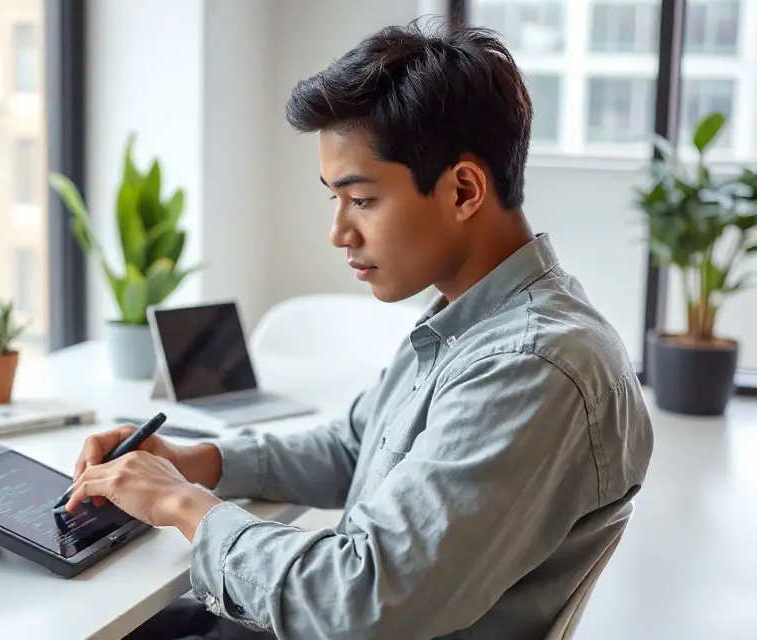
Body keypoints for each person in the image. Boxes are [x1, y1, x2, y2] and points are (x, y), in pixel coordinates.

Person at [60, 17, 654, 640]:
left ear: (464, 190)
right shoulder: (470, 322)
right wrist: (196, 460)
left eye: (362, 199)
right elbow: (355, 445)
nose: (339, 232)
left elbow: (361, 600)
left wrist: (182, 505)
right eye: (333, 199)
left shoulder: (530, 366)